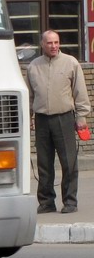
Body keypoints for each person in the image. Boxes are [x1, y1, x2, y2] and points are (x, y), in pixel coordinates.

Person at [26, 30, 90, 214]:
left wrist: (81, 117)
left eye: (56, 42)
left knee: (69, 162)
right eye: (49, 43)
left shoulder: (71, 63)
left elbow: (80, 92)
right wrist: (29, 117)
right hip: (41, 120)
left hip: (64, 118)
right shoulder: (33, 67)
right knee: (44, 163)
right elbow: (30, 96)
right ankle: (46, 202)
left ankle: (70, 201)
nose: (54, 46)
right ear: (42, 45)